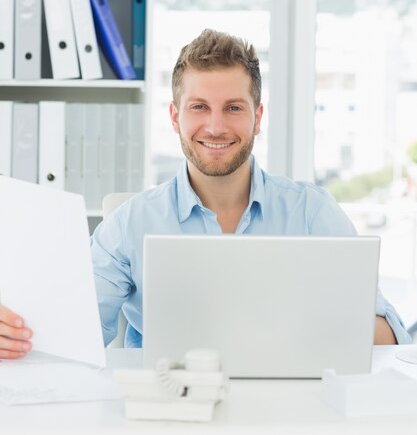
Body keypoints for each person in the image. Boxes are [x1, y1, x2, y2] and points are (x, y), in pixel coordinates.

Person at [0, 29, 411, 359]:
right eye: (199, 107)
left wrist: (300, 321)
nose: (215, 127)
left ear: (258, 117)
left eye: (234, 107)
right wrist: (12, 332)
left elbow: (388, 337)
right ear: (175, 116)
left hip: (288, 410)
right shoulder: (130, 222)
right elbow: (72, 331)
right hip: (166, 413)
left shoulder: (311, 211)